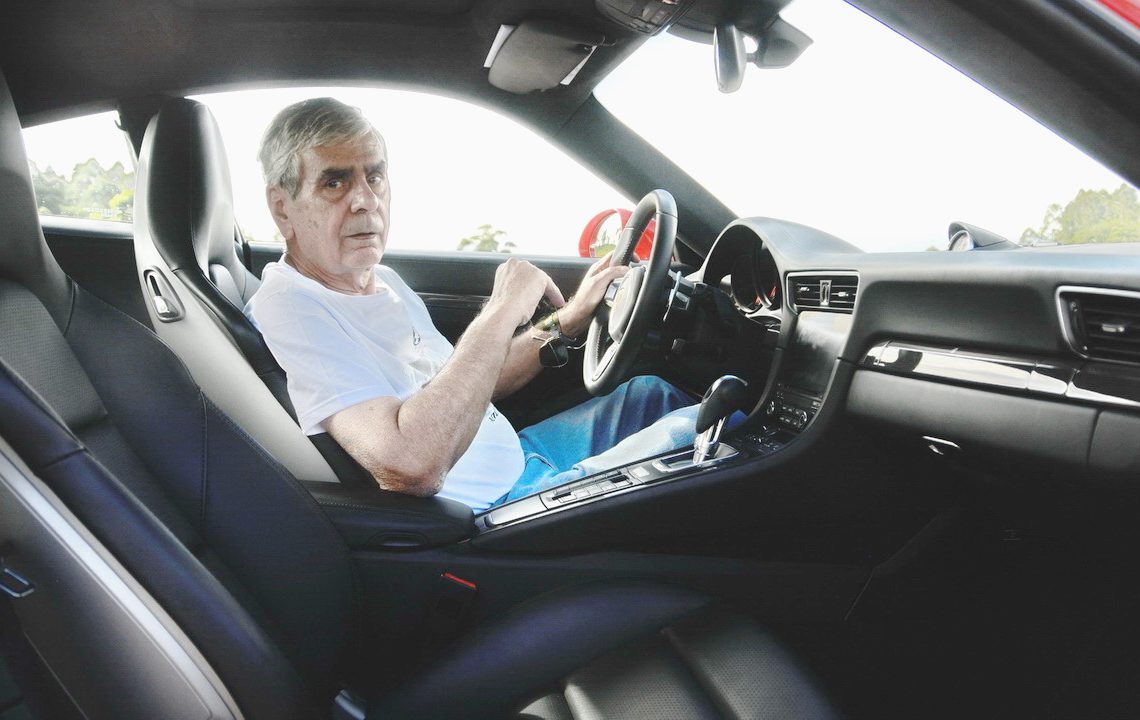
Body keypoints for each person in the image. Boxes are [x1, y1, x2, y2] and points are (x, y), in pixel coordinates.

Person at [246, 97, 708, 511]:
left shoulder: (383, 280)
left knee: (651, 394)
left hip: (524, 455)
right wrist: (503, 307)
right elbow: (410, 465)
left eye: (375, 176)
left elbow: (469, 384)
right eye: (335, 182)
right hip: (504, 510)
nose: (366, 201)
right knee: (716, 431)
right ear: (282, 208)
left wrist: (568, 319)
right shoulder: (291, 309)